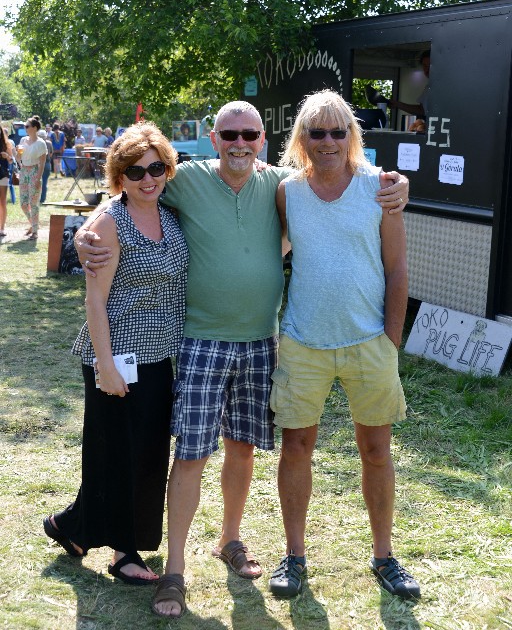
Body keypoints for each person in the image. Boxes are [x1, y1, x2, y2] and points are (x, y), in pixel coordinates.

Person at [75, 101, 409, 619]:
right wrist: (85, 231)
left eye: (249, 135)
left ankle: (231, 540)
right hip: (204, 342)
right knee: (191, 455)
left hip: (263, 341)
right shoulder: (187, 180)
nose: (239, 143)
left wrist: (399, 186)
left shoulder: (278, 184)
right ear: (214, 138)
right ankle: (177, 571)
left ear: (263, 139)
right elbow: (127, 194)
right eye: (229, 134)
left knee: (244, 449)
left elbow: (374, 224)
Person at [268, 90, 420, 601]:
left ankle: (384, 556)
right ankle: (294, 557)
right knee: (296, 447)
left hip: (369, 343)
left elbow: (397, 269)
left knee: (376, 451)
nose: (328, 141)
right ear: (302, 139)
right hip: (304, 342)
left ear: (352, 135)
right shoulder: (288, 192)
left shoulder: (380, 188)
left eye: (339, 131)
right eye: (317, 132)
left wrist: (390, 342)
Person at [43, 122, 189, 585]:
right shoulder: (108, 222)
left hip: (159, 357)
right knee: (118, 453)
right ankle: (125, 553)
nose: (148, 178)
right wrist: (105, 364)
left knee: (144, 452)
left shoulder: (171, 214)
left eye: (157, 168)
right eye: (135, 170)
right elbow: (94, 301)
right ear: (118, 176)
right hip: (117, 357)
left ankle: (70, 526)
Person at [16, 116, 47, 241]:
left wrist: (38, 178)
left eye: (27, 126)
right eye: (25, 126)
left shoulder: (41, 143)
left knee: (33, 203)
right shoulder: (23, 140)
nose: (25, 128)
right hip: (24, 171)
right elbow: (18, 158)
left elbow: (42, 163)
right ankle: (34, 224)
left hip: (34, 171)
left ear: (34, 128)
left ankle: (34, 232)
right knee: (23, 204)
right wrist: (17, 153)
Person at [388, 50, 430, 119]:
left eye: (430, 65)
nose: (427, 69)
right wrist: (397, 104)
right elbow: (421, 111)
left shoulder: (447, 86)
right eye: (425, 66)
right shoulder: (428, 87)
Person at [0, 126, 14, 237]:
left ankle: (2, 228)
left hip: (3, 174)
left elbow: (11, 160)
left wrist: (7, 156)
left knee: (3, 202)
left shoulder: (7, 144)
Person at [37, 129, 53, 204]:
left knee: (37, 182)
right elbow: (51, 153)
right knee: (44, 182)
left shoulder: (37, 143)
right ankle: (43, 198)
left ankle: (37, 198)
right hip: (47, 164)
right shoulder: (49, 143)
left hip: (39, 164)